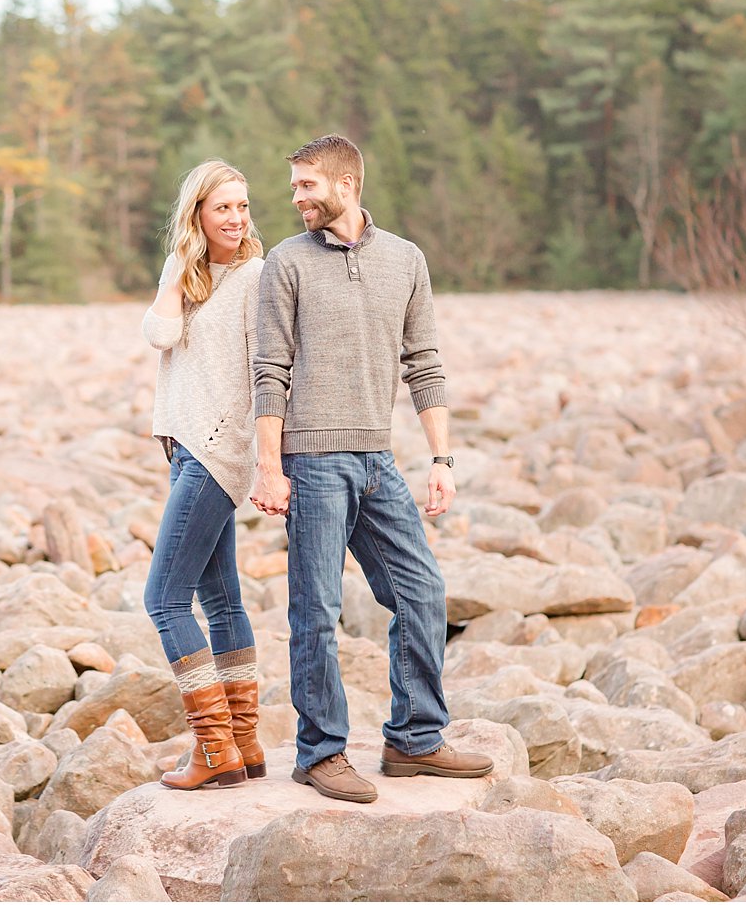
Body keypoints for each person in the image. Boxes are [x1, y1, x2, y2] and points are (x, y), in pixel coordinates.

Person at [250, 133, 493, 804]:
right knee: (316, 611)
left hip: (378, 459)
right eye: (294, 185)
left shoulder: (405, 260)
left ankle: (414, 739)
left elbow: (426, 363)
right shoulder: (285, 262)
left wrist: (442, 457)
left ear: (346, 185)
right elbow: (269, 372)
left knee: (422, 592)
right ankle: (320, 753)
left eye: (307, 185)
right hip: (314, 460)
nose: (296, 196)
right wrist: (270, 467)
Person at [141, 159, 266, 790]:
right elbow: (158, 333)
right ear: (197, 214)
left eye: (243, 206)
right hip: (184, 447)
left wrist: (263, 456)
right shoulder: (188, 274)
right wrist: (176, 266)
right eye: (223, 207)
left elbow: (269, 370)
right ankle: (242, 744)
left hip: (216, 450)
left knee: (163, 599)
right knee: (221, 600)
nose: (238, 218)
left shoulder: (256, 277)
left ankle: (213, 748)